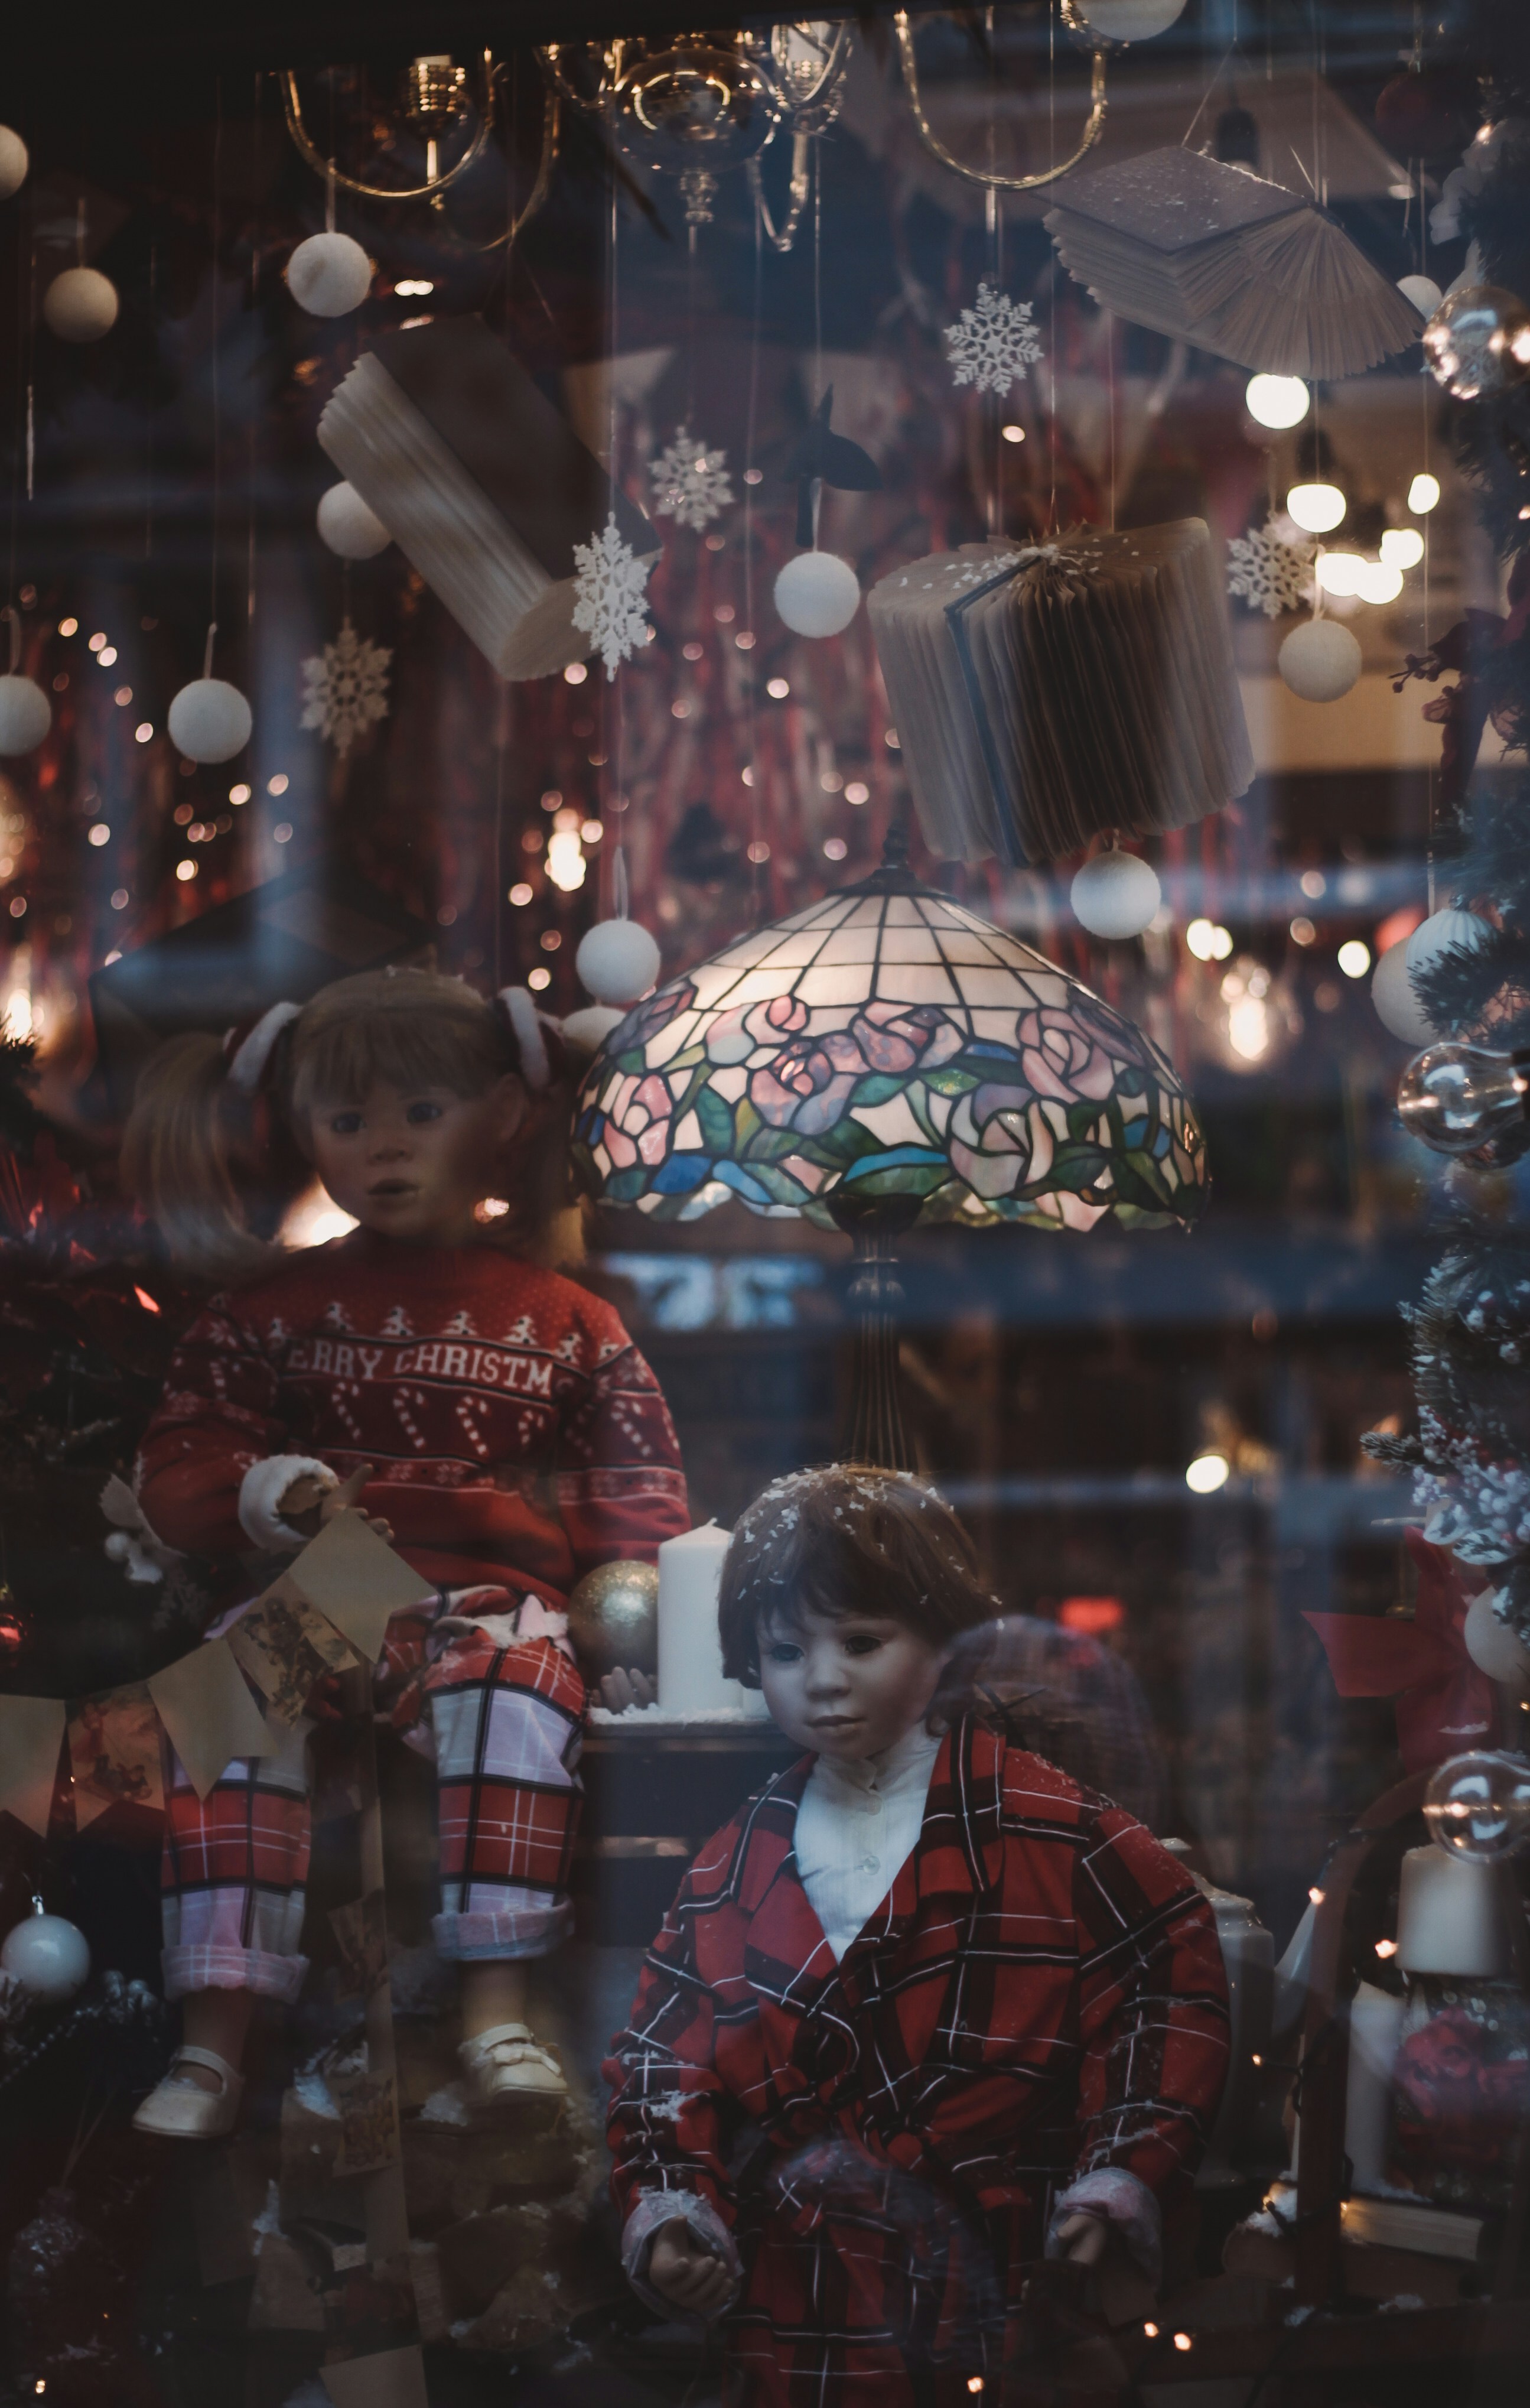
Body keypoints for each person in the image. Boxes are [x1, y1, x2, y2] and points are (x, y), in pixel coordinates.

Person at [120, 967, 689, 2139]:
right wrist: (267, 1490)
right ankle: (213, 2037)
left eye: (422, 1115)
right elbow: (182, 1465)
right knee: (227, 1706)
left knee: (518, 1692)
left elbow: (635, 1494)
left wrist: (627, 1609)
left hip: (488, 1602)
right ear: (304, 1132)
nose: (384, 1149)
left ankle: (495, 2007)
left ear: (506, 1114)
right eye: (348, 1121)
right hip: (321, 1589)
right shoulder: (272, 1309)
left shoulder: (565, 1316)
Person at [604, 1468, 1228, 2406]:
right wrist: (674, 2210)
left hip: (1003, 2279)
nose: (821, 1680)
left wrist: (1121, 2169)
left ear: (944, 1641)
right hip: (798, 2300)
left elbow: (1166, 1983)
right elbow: (662, 2058)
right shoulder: (734, 1860)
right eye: (783, 1651)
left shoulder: (1052, 1827)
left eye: (862, 1642)